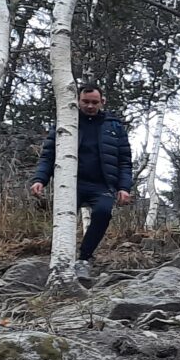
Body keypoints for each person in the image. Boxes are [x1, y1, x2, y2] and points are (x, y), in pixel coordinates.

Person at [30, 84, 134, 281]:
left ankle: (84, 258)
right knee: (63, 220)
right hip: (70, 183)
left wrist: (124, 187)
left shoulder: (114, 126)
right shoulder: (66, 122)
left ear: (102, 102)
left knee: (103, 213)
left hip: (103, 184)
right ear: (78, 101)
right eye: (85, 102)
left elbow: (124, 160)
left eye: (94, 102)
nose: (90, 106)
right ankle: (61, 262)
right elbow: (48, 155)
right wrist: (40, 180)